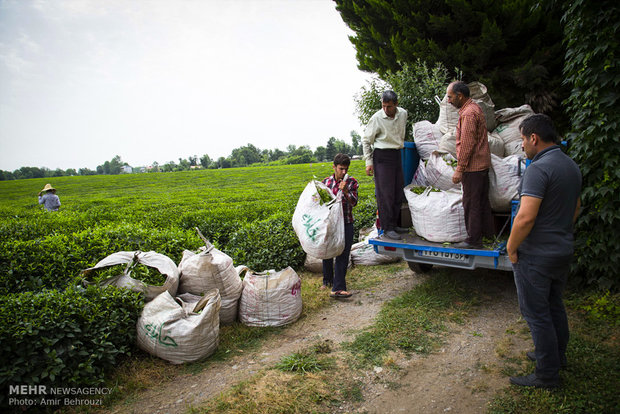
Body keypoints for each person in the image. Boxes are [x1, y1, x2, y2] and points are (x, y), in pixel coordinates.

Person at [507, 114, 582, 388]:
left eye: (523, 139)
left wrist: (511, 247)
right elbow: (575, 208)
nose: (522, 145)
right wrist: (559, 232)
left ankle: (547, 374)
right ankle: (556, 356)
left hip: (536, 255)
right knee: (554, 306)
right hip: (561, 250)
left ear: (534, 138)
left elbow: (525, 217)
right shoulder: (571, 166)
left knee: (537, 314)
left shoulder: (538, 169)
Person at [447, 81, 494, 248]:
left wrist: (459, 169)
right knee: (481, 201)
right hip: (481, 165)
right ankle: (488, 234)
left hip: (473, 168)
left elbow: (467, 143)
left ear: (460, 96)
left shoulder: (468, 113)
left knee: (471, 202)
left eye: (450, 96)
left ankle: (473, 240)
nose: (448, 100)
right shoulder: (474, 108)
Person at [362, 90, 408, 240]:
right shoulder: (376, 118)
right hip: (382, 156)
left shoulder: (403, 114)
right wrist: (369, 162)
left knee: (397, 191)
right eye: (383, 106)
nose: (386, 110)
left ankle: (394, 224)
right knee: (385, 194)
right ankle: (387, 227)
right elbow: (366, 140)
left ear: (396, 104)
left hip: (396, 154)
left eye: (389, 106)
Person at [321, 153, 359, 299]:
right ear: (334, 167)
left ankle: (338, 287)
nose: (343, 172)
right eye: (341, 169)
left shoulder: (352, 182)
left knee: (343, 254)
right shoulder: (326, 183)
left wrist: (346, 191)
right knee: (328, 251)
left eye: (346, 169)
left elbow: (354, 202)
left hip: (346, 223)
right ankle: (327, 281)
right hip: (330, 224)